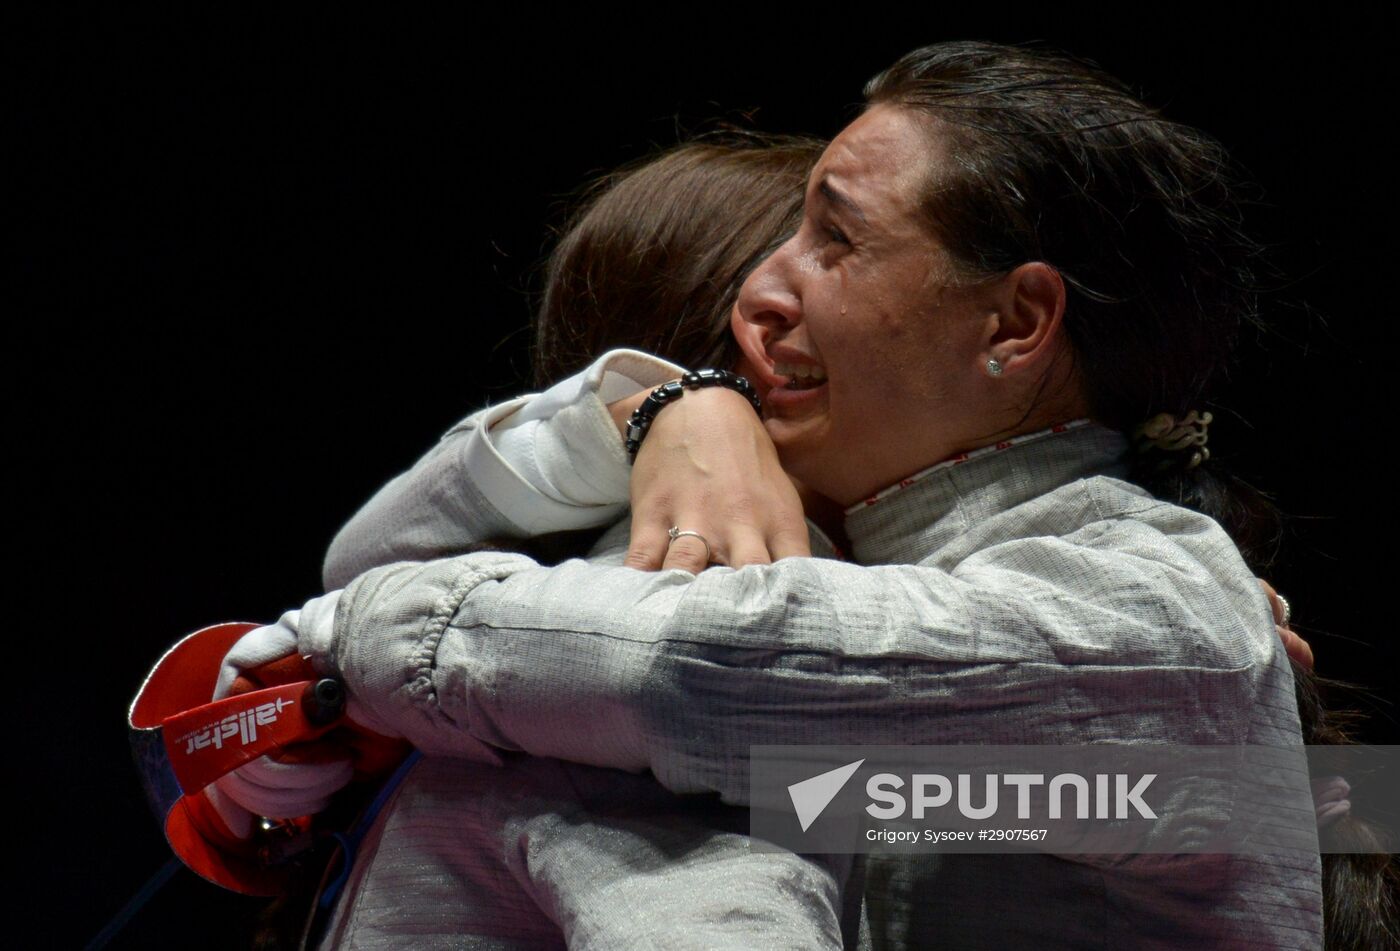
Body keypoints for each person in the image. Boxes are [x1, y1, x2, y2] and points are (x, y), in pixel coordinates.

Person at [212, 42, 1395, 947]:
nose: (760, 298)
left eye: (830, 241)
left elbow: (685, 673)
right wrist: (648, 409)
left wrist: (334, 657)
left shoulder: (1152, 607)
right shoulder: (827, 708)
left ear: (1015, 323)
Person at [216, 132, 872, 949]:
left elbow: (993, 798)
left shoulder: (560, 647)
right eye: (839, 251)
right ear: (777, 342)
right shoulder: (692, 625)